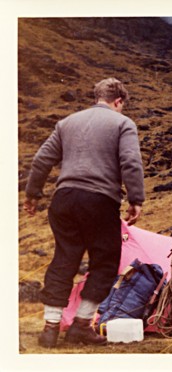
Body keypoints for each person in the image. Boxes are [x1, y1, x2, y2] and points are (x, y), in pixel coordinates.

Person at [23, 78, 145, 348]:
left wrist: (32, 194)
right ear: (118, 101)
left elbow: (42, 159)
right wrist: (136, 199)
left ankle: (50, 328)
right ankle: (80, 325)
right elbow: (130, 162)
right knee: (105, 261)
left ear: (97, 97)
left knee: (63, 259)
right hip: (99, 201)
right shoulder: (123, 123)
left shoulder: (66, 123)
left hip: (63, 200)